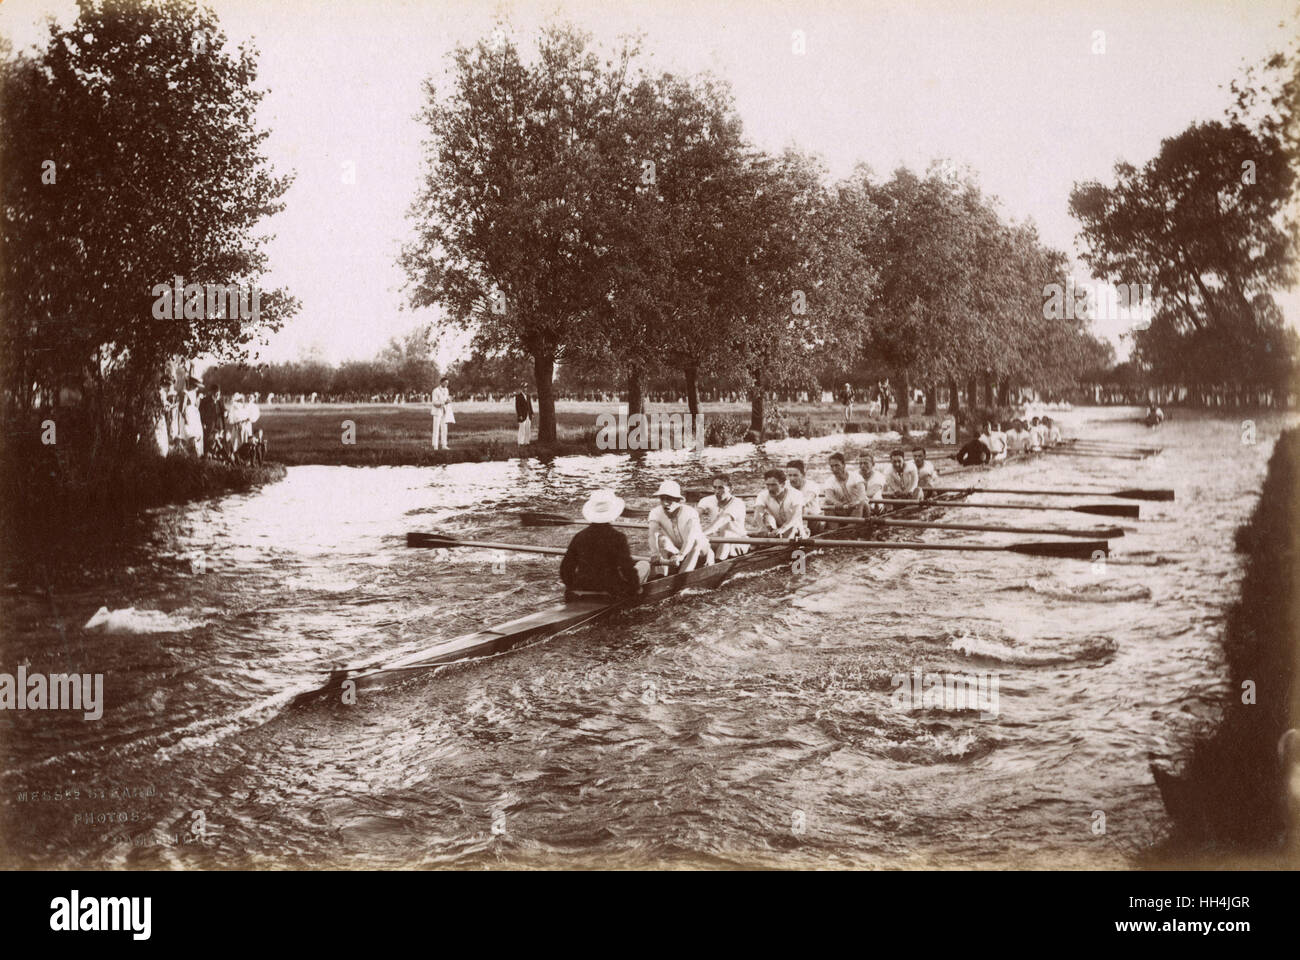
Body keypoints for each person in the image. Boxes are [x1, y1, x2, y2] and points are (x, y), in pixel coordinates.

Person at [560, 490, 647, 600]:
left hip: (581, 589)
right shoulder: (618, 537)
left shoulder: (579, 536)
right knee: (644, 565)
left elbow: (565, 569)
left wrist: (573, 587)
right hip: (610, 592)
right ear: (613, 514)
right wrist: (636, 589)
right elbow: (627, 569)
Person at [647, 479, 710, 575]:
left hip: (700, 550)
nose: (665, 503)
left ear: (678, 500)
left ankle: (682, 577)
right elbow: (652, 534)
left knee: (696, 542)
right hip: (677, 549)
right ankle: (660, 577)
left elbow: (690, 539)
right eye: (662, 499)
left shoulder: (690, 513)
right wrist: (655, 553)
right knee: (661, 540)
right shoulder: (655, 512)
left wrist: (681, 555)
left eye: (669, 499)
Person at [697, 474, 748, 561]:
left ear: (731, 489)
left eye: (721, 488)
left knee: (726, 533)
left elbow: (720, 521)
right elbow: (694, 515)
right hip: (716, 539)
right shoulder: (706, 500)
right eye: (715, 487)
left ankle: (717, 563)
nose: (717, 491)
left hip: (737, 541)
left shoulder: (738, 504)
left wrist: (700, 534)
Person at [755, 468, 807, 537]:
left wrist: (783, 528)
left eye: (774, 485)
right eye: (768, 485)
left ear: (783, 484)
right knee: (765, 520)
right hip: (774, 529)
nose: (770, 488)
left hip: (794, 528)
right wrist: (763, 527)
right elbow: (758, 513)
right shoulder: (762, 495)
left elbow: (796, 515)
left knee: (791, 529)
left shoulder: (796, 494)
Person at [822, 452, 867, 517]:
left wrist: (856, 502)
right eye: (832, 466)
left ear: (843, 465)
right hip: (843, 509)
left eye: (837, 465)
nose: (834, 469)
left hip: (860, 509)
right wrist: (837, 503)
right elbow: (829, 497)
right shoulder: (829, 481)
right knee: (826, 503)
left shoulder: (856, 476)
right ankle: (835, 527)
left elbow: (862, 495)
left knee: (861, 503)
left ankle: (851, 526)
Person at [785, 460, 821, 531]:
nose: (792, 479)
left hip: (812, 519)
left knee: (804, 509)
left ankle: (802, 533)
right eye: (790, 475)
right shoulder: (784, 485)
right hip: (792, 517)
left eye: (795, 475)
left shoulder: (812, 485)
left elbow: (805, 501)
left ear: (803, 475)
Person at [431, 376, 451, 449]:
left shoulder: (446, 390)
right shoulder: (435, 390)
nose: (446, 384)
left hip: (444, 411)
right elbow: (434, 402)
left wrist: (449, 400)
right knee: (436, 428)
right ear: (441, 382)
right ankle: (435, 445)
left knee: (444, 428)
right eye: (445, 382)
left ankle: (444, 445)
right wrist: (444, 403)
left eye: (447, 383)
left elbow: (446, 399)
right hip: (437, 411)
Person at [514, 381, 533, 446]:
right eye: (524, 387)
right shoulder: (518, 396)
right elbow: (518, 406)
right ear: (521, 388)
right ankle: (520, 442)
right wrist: (520, 415)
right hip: (522, 415)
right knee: (522, 429)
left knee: (528, 429)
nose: (525, 389)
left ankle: (527, 442)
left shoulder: (528, 396)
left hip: (528, 415)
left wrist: (532, 412)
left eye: (526, 387)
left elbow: (530, 405)